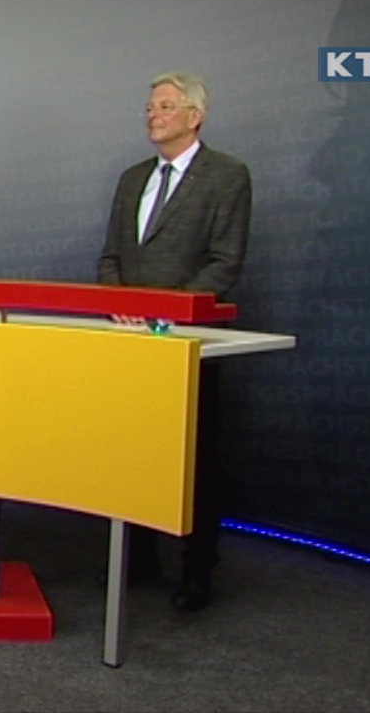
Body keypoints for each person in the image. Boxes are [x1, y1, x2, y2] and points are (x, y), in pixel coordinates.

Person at [96, 71, 251, 612]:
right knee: (132, 448)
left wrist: (167, 315)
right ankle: (137, 557)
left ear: (194, 116)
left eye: (164, 106)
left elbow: (224, 263)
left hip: (188, 340)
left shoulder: (226, 177)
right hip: (130, 340)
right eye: (149, 107)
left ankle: (196, 568)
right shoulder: (132, 179)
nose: (152, 115)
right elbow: (110, 257)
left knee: (193, 456)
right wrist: (119, 304)